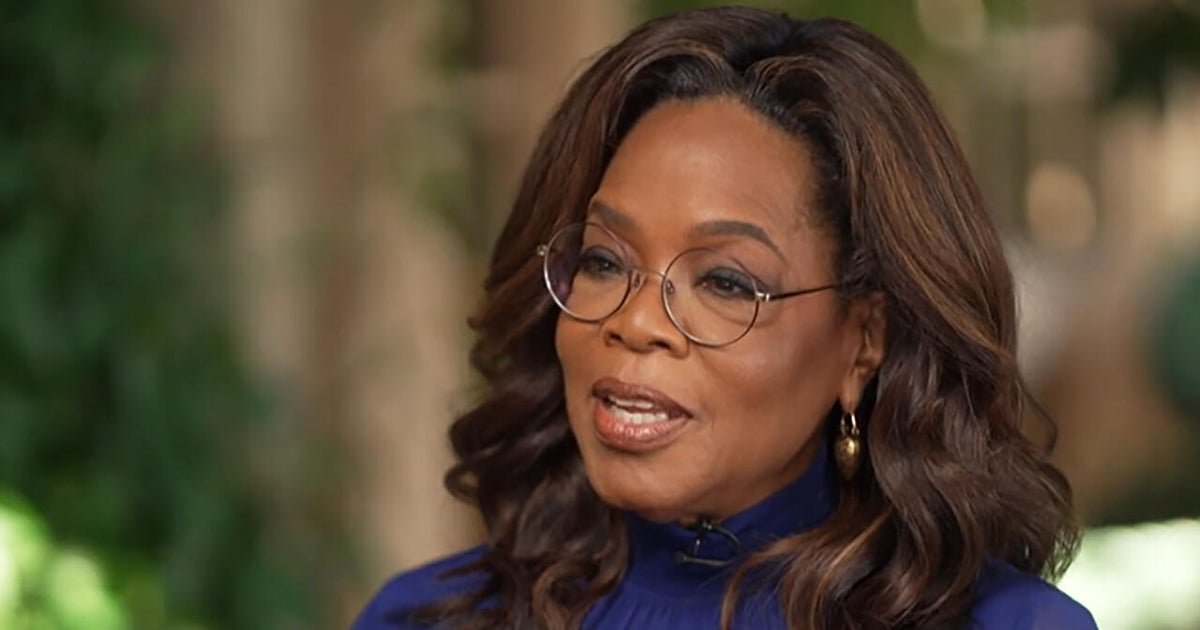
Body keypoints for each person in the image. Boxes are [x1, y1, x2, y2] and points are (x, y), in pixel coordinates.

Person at [354, 6, 1097, 629]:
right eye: (604, 261)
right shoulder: (425, 617)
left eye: (725, 281)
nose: (636, 322)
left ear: (863, 343)